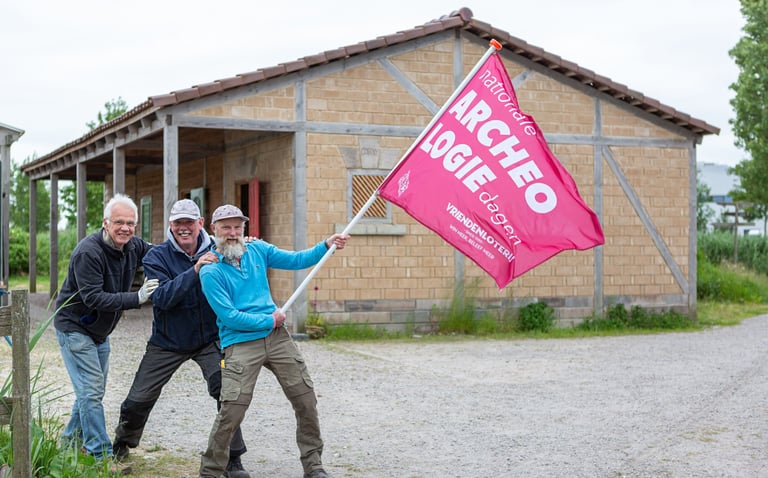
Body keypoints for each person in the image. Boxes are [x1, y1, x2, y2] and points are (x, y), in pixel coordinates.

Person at [197, 204, 350, 478]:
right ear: (214, 230)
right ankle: (210, 471)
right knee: (232, 410)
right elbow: (230, 317)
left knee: (305, 400)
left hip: (277, 339)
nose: (232, 233)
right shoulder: (210, 271)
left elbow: (296, 260)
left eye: (237, 227)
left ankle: (314, 466)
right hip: (240, 343)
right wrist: (270, 320)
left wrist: (325, 244)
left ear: (244, 229)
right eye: (226, 227)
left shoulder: (258, 250)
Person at [112, 199, 251, 477]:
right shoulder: (156, 257)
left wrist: (247, 242)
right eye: (178, 223)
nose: (184, 228)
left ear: (201, 224)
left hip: (209, 339)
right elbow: (161, 298)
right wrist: (195, 269)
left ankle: (232, 458)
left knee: (226, 393)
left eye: (190, 222)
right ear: (171, 227)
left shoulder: (220, 248)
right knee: (138, 399)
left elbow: (245, 262)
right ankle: (123, 441)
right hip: (167, 341)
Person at [54, 193, 158, 461]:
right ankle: (100, 456)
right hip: (75, 328)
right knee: (91, 391)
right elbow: (94, 298)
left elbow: (161, 252)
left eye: (131, 223)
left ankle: (67, 447)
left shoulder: (133, 245)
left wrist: (204, 248)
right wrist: (137, 298)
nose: (125, 228)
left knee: (91, 392)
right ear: (105, 223)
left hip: (100, 333)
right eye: (119, 222)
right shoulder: (88, 253)